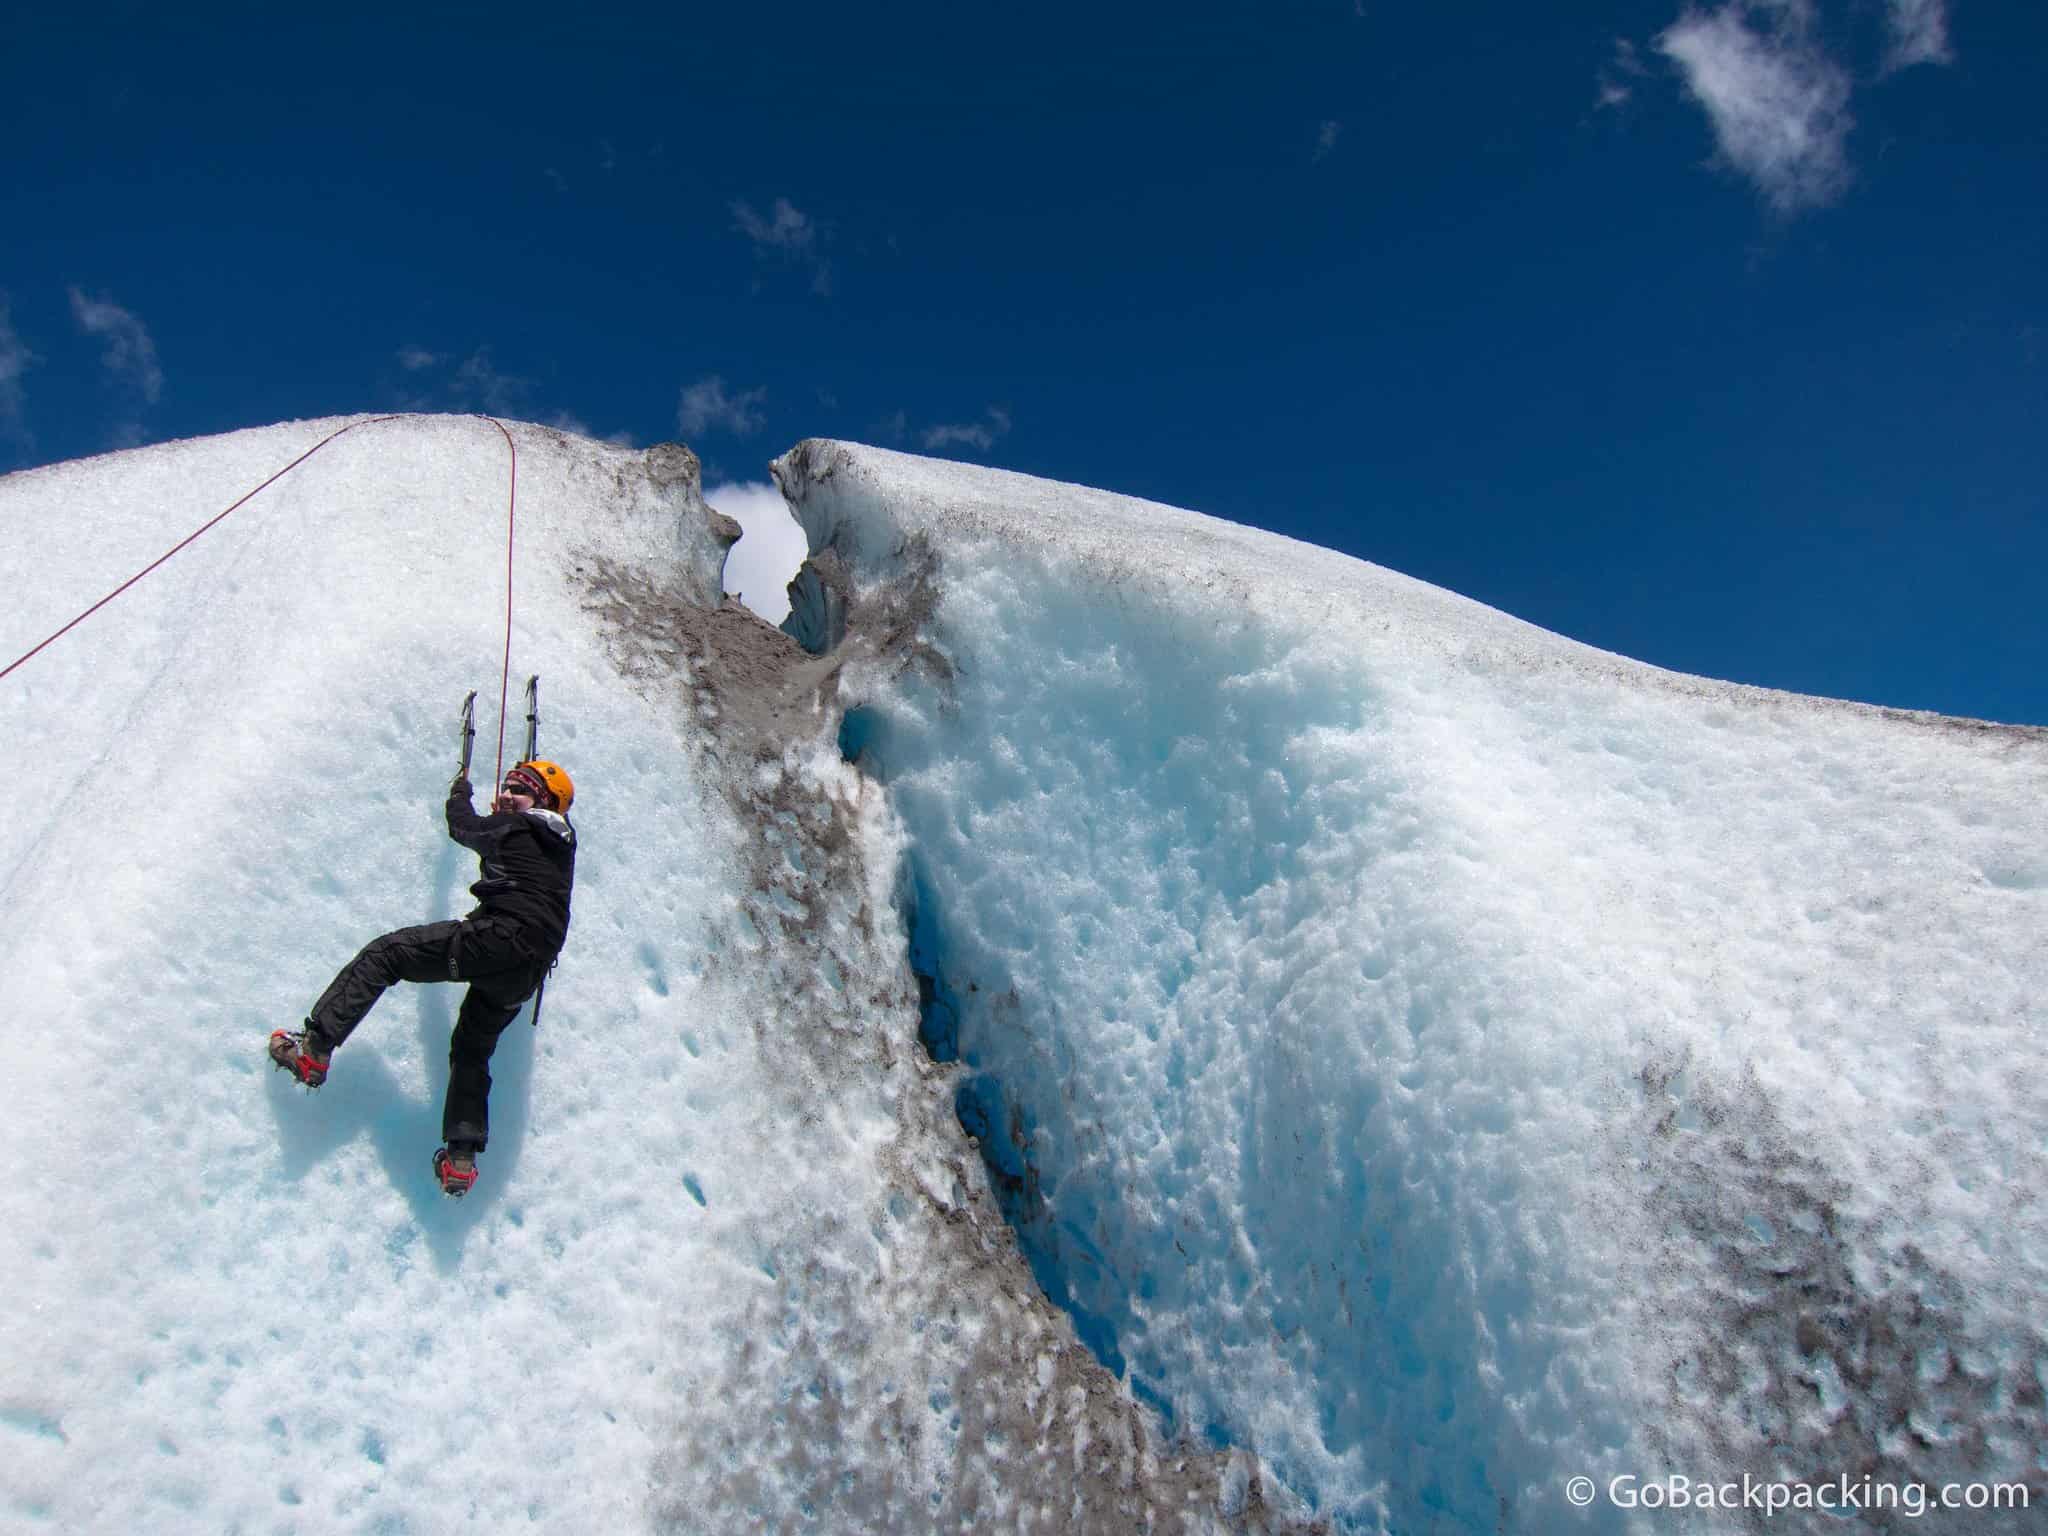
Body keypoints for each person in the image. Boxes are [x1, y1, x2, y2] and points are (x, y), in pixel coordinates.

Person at [269, 759, 577, 1197]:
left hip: (498, 938)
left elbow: (463, 827)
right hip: (526, 973)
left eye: (520, 790)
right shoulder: (560, 844)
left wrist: (460, 794)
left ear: (543, 803)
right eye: (507, 786)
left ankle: (314, 1049)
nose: (508, 793)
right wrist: (506, 819)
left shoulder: (520, 827)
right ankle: (461, 1158)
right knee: (472, 1050)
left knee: (388, 954)